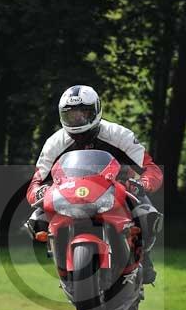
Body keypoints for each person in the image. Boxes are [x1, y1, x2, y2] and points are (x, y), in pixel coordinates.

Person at [26, 85, 163, 284]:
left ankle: (144, 259)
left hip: (118, 189)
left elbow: (151, 168)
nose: (77, 119)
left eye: (83, 113)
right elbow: (36, 181)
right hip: (70, 194)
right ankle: (60, 258)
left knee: (148, 214)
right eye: (71, 115)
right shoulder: (54, 143)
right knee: (35, 219)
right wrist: (39, 192)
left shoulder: (119, 135)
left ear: (97, 111)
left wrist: (143, 183)